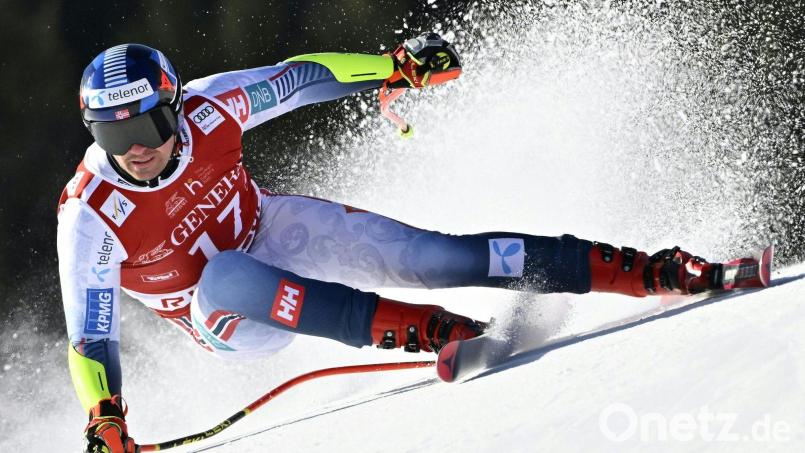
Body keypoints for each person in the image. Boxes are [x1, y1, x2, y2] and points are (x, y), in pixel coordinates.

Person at [58, 35, 722, 452]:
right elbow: (91, 334)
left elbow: (299, 77)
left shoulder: (212, 108)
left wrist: (392, 69)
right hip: (230, 316)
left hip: (270, 227)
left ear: (172, 106)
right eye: (114, 137)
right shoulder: (90, 212)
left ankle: (651, 271)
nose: (137, 149)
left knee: (433, 256)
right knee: (226, 275)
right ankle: (439, 332)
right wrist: (105, 416)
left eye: (146, 124)